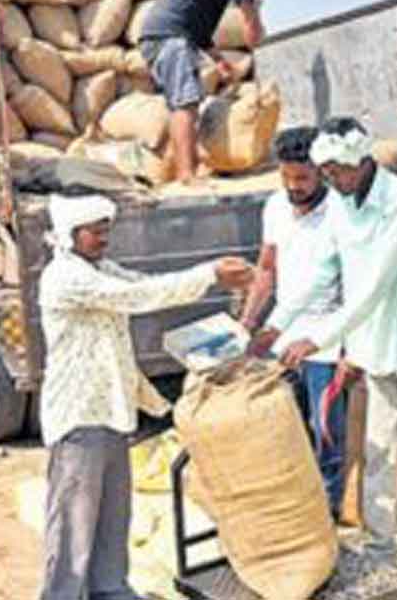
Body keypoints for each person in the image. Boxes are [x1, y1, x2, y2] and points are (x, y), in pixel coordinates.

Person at [37, 195, 253, 600]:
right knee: (73, 523)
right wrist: (209, 273)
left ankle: (109, 589)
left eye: (106, 229)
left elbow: (140, 285)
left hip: (113, 412)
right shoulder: (65, 277)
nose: (104, 238)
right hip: (79, 415)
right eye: (94, 231)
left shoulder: (101, 269)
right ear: (69, 235)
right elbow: (140, 298)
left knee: (113, 515)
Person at [272, 118, 397, 598]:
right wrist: (274, 325)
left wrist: (320, 338)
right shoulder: (338, 205)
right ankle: (380, 548)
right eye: (326, 170)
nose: (333, 179)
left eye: (339, 170)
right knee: (378, 453)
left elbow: (374, 283)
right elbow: (321, 272)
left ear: (363, 160)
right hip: (374, 347)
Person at [239, 126, 348, 519]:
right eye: (285, 177)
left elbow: (349, 284)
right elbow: (266, 269)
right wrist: (248, 323)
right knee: (287, 428)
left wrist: (348, 349)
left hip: (326, 341)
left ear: (321, 171)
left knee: (326, 437)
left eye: (301, 178)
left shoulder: (341, 213)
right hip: (283, 337)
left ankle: (326, 517)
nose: (293, 186)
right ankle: (296, 514)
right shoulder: (274, 208)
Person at [139, 0, 266, 184]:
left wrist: (219, 60)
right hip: (170, 38)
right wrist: (252, 22)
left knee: (184, 105)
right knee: (185, 105)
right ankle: (186, 174)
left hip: (168, 37)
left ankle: (186, 166)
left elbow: (199, 32)